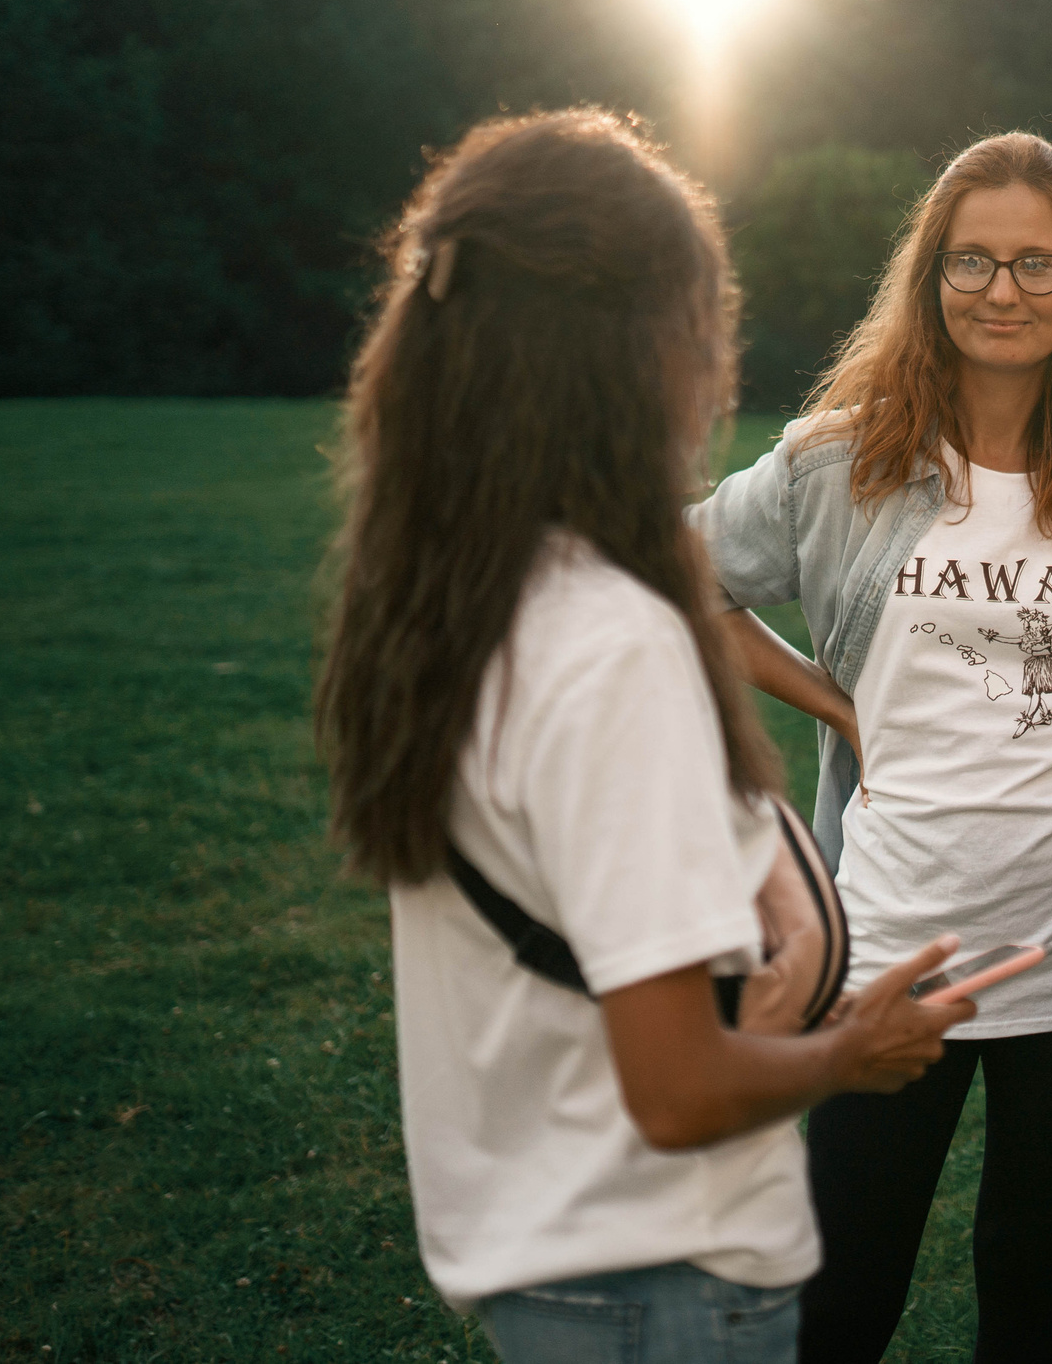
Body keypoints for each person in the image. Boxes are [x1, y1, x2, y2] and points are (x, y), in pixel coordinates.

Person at [314, 110, 972, 1364]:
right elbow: (676, 1091)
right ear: (630, 349)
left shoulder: (462, 600)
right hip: (663, 1284)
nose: (719, 366)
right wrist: (853, 1049)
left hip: (553, 1270)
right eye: (708, 320)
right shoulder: (610, 644)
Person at [690, 131, 1052, 1364]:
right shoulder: (837, 460)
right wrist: (837, 706)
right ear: (930, 278)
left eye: (1036, 265)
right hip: (892, 923)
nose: (1002, 291)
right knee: (843, 1289)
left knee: (1030, 1276)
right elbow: (679, 573)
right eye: (971, 261)